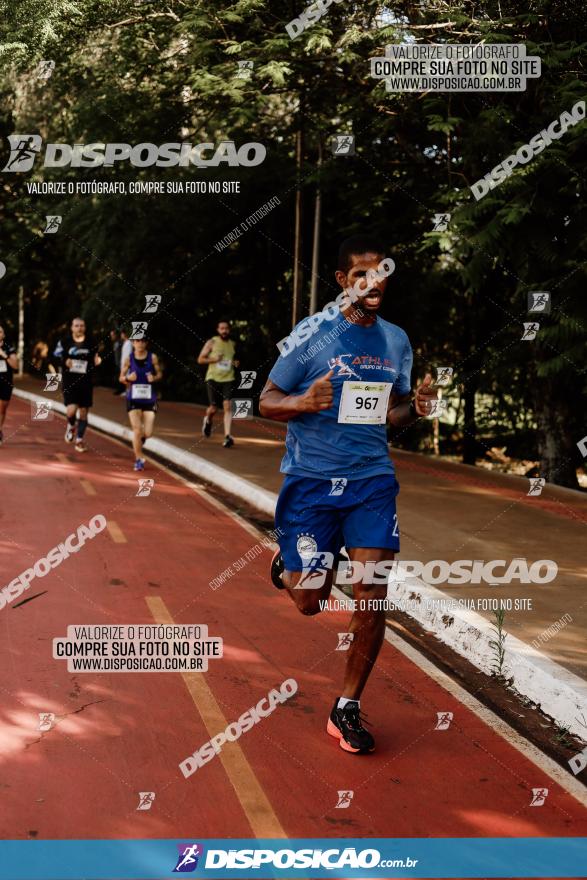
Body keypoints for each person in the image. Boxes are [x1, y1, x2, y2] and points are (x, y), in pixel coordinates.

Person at [259, 234, 438, 755]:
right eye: (361, 274)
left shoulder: (396, 341)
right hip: (312, 482)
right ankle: (289, 566)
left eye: (380, 272)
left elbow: (391, 414)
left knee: (371, 594)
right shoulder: (312, 335)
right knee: (310, 601)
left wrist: (419, 409)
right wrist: (301, 401)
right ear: (343, 281)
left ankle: (347, 706)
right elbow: (266, 401)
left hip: (372, 483)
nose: (373, 281)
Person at [53, 317, 102, 453]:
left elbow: (95, 358)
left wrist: (97, 361)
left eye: (82, 325)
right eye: (76, 326)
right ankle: (70, 424)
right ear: (72, 328)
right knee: (71, 410)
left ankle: (79, 440)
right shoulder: (64, 342)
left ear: (85, 327)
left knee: (84, 412)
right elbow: (55, 356)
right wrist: (65, 362)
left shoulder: (91, 342)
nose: (79, 328)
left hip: (86, 381)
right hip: (70, 381)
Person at [119, 337, 162, 471]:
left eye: (143, 341)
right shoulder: (129, 359)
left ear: (146, 343)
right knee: (137, 430)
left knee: (148, 433)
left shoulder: (152, 357)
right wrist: (127, 378)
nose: (140, 343)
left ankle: (138, 441)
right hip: (133, 398)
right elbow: (120, 378)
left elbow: (160, 373)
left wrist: (154, 378)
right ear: (133, 342)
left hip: (150, 399)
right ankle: (139, 459)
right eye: (137, 341)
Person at [198, 320, 239, 448]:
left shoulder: (233, 344)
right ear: (218, 330)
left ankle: (227, 436)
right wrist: (214, 359)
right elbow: (200, 359)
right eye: (222, 328)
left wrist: (234, 363)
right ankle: (208, 420)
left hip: (228, 378)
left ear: (229, 330)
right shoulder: (212, 342)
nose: (224, 331)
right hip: (213, 378)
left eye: (226, 328)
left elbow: (231, 360)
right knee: (213, 408)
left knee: (227, 406)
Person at [0, 324, 19, 445]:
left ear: (3, 335)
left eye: (0, 332)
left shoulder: (9, 348)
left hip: (5, 383)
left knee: (2, 409)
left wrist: (4, 355)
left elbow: (15, 366)